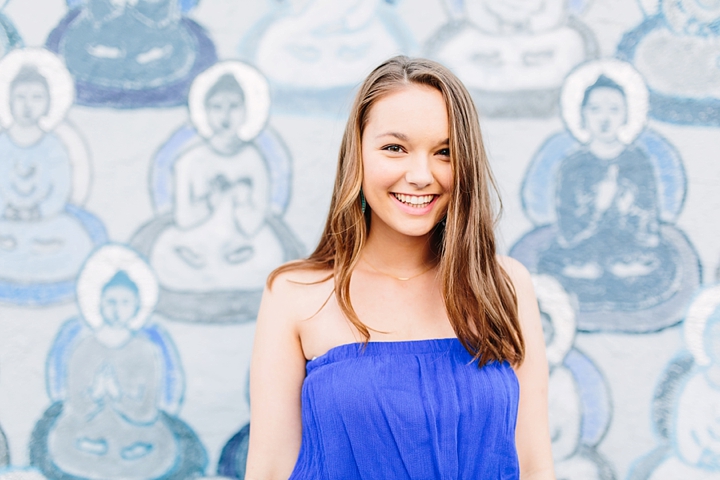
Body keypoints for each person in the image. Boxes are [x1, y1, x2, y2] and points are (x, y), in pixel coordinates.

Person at [246, 56, 554, 479]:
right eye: (395, 148)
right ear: (357, 152)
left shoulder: (504, 286)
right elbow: (270, 470)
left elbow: (535, 466)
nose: (421, 175)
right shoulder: (295, 293)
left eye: (444, 152)